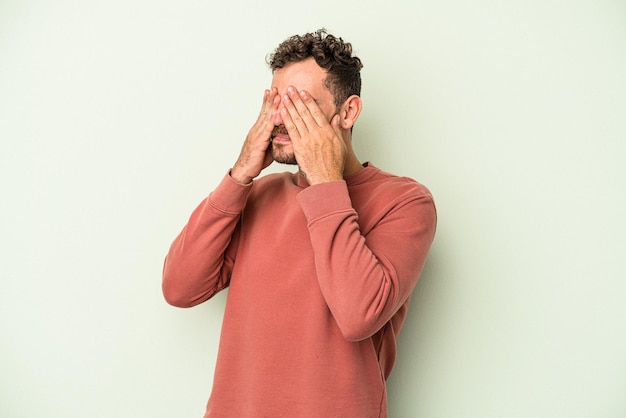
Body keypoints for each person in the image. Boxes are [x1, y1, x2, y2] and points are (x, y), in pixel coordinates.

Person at [162, 29, 437, 418]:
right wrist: (240, 174)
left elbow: (359, 315)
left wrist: (325, 180)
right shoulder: (259, 194)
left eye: (298, 104)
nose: (278, 118)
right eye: (275, 102)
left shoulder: (405, 202)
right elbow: (179, 287)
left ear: (348, 111)